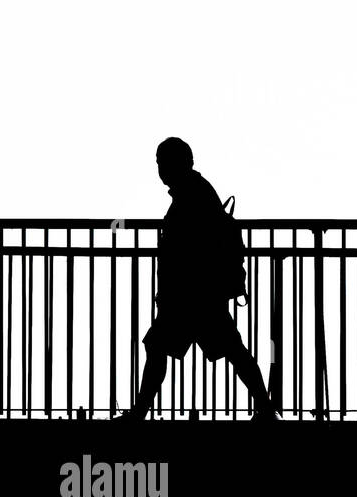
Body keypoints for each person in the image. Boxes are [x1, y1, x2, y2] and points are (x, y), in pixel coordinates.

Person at [116, 138, 277, 422]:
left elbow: (188, 249)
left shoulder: (191, 196)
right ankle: (264, 407)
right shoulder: (196, 191)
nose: (160, 168)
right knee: (229, 349)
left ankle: (139, 414)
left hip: (191, 295)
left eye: (162, 161)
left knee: (161, 348)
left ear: (179, 163)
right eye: (158, 162)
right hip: (200, 294)